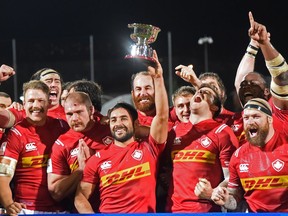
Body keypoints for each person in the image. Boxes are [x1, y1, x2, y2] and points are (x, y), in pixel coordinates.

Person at [74, 50, 169, 213]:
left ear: (135, 123)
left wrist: (159, 78)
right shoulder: (97, 158)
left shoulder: (149, 148)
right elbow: (80, 196)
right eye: (114, 120)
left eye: (123, 119)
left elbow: (161, 117)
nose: (118, 123)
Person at [165, 83, 238, 212]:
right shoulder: (174, 132)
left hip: (205, 210)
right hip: (172, 210)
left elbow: (232, 178)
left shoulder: (222, 132)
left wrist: (214, 192)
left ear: (215, 107)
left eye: (205, 93)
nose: (199, 93)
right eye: (198, 92)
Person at [0, 80, 69, 215]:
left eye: (40, 100)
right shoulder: (16, 133)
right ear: (24, 104)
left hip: (62, 210)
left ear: (48, 103)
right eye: (31, 101)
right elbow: (3, 176)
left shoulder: (62, 127)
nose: (36, 105)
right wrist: (8, 204)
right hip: (27, 210)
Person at [211, 98, 288, 212]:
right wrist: (227, 200)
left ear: (270, 119)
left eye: (256, 116)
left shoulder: (285, 149)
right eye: (246, 118)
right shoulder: (238, 156)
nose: (250, 122)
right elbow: (235, 195)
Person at [47, 91, 112, 212]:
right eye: (69, 114)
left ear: (91, 110)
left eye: (79, 112)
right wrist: (80, 170)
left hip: (117, 209)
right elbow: (55, 192)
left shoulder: (110, 129)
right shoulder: (61, 144)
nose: (75, 118)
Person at [0, 67, 66, 129]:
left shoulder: (70, 114)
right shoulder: (23, 111)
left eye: (57, 81)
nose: (53, 85)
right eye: (48, 81)